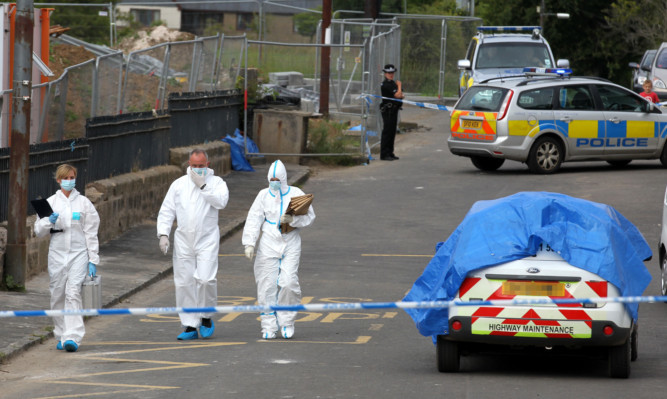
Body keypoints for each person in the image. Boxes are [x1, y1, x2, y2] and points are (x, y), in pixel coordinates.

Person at [157, 149, 229, 340]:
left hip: (207, 239)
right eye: (194, 166)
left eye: (201, 166)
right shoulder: (179, 185)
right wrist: (163, 233)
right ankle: (190, 325)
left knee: (205, 279)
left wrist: (204, 186)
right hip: (184, 240)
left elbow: (221, 202)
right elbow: (167, 210)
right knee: (184, 282)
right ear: (189, 164)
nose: (197, 169)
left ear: (208, 164)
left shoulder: (217, 183)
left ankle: (205, 316)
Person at [242, 160, 315, 340]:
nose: (274, 181)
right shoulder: (263, 195)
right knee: (267, 284)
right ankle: (268, 324)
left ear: (283, 179)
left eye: (277, 179)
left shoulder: (296, 193)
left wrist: (293, 220)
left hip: (290, 241)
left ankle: (287, 321)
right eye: (271, 179)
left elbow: (310, 216)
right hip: (268, 241)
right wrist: (249, 242)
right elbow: (254, 218)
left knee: (288, 282)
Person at [34, 164, 100, 353]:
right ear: (58, 180)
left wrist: (92, 259)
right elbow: (38, 231)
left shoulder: (84, 203)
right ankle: (61, 333)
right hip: (57, 254)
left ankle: (72, 336)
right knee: (57, 294)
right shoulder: (51, 202)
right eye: (66, 178)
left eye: (72, 177)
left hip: (78, 254)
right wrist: (49, 221)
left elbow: (91, 232)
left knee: (72, 292)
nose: (70, 181)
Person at [380, 64, 405, 161]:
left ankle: (390, 152)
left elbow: (401, 94)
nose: (391, 74)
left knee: (392, 132)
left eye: (392, 73)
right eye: (389, 73)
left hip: (394, 110)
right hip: (388, 111)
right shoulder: (386, 84)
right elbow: (398, 95)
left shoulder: (392, 83)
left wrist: (399, 92)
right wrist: (399, 86)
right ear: (385, 73)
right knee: (387, 132)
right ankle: (384, 154)